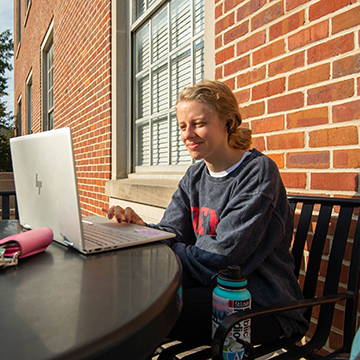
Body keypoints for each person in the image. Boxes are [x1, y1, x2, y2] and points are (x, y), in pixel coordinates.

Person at [104, 80, 309, 346]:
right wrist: (143, 229)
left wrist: (168, 242)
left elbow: (222, 259)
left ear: (229, 123)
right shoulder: (195, 175)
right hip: (213, 289)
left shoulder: (257, 173)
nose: (188, 134)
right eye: (182, 126)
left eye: (198, 123)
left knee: (147, 311)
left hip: (260, 304)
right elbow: (174, 231)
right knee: (127, 292)